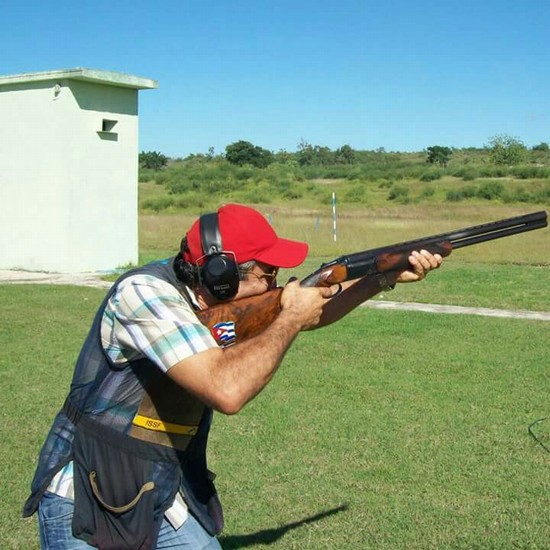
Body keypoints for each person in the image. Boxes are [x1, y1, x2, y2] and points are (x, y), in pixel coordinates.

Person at [23, 203, 442, 549]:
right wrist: (290, 316)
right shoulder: (145, 295)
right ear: (221, 276)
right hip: (88, 492)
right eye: (266, 273)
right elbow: (228, 391)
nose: (275, 283)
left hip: (164, 484)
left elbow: (309, 313)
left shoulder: (219, 305)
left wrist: (380, 278)